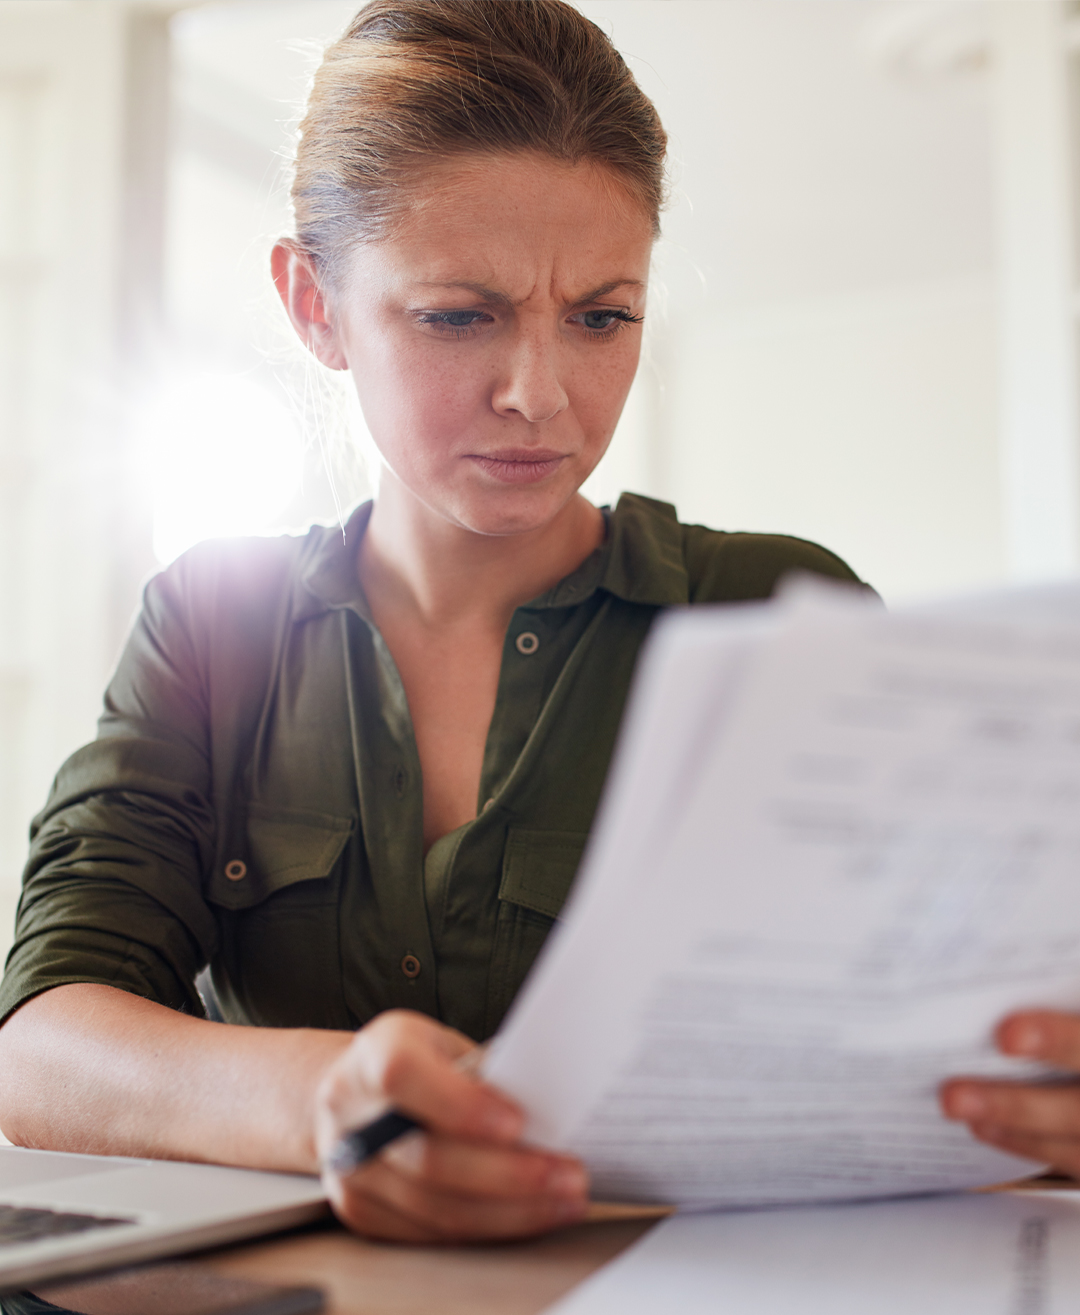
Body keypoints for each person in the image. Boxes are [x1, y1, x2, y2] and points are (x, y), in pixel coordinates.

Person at [0, 0, 1072, 1246]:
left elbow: (945, 1026)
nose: (541, 394)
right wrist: (325, 1103)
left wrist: (1030, 1082)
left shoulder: (780, 612)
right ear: (313, 304)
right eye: (460, 315)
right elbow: (41, 1051)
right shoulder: (211, 622)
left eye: (603, 316)